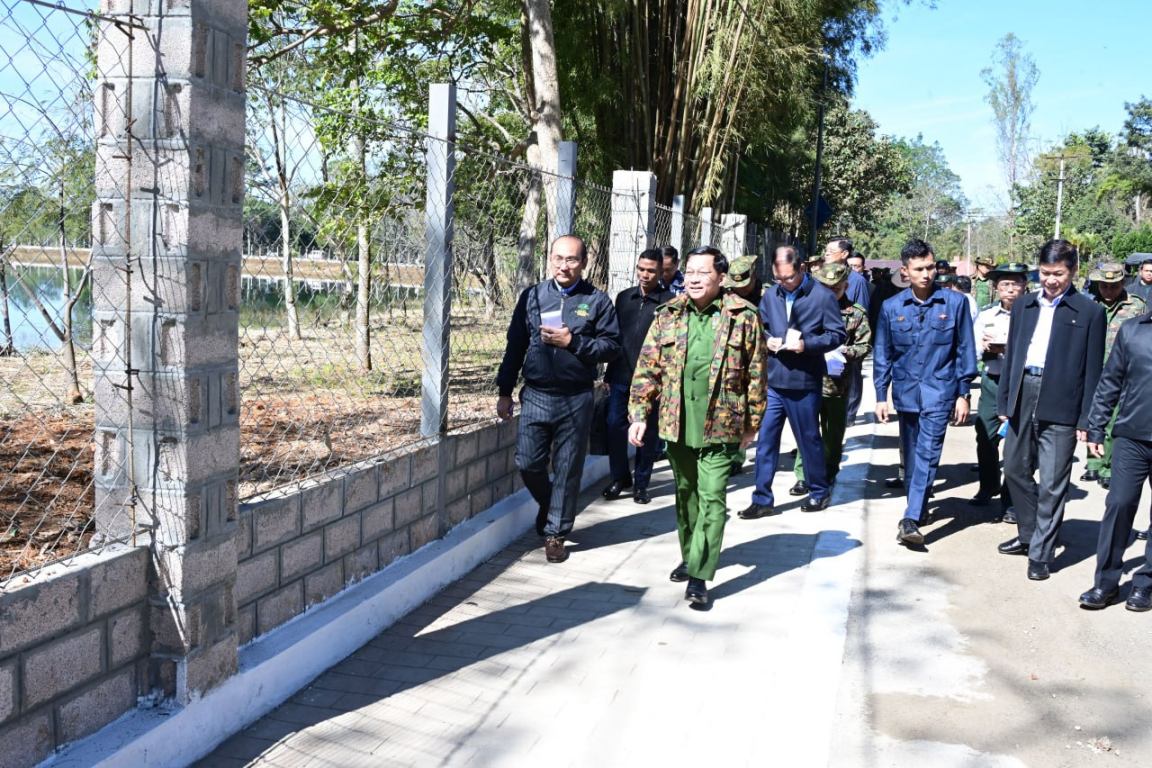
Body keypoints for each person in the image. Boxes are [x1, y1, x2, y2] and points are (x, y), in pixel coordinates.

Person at [628, 246, 766, 606]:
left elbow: (756, 374)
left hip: (722, 424)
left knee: (713, 496)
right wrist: (639, 415)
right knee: (686, 493)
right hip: (677, 423)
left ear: (721, 277)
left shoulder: (743, 316)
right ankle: (690, 556)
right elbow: (647, 369)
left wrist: (753, 423)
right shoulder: (668, 314)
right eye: (689, 271)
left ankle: (700, 576)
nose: (693, 278)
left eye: (702, 272)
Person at [496, 235, 622, 564]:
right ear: (549, 258)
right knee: (527, 462)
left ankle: (555, 533)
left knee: (567, 468)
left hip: (576, 397)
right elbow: (515, 345)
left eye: (572, 259)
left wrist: (574, 342)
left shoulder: (597, 301)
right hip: (537, 394)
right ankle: (552, 504)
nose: (564, 266)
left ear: (584, 263)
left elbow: (612, 347)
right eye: (558, 258)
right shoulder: (533, 296)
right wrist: (505, 390)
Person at [996, 239, 1105, 581]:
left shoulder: (1089, 312)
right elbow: (1012, 355)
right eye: (1045, 273)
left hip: (1062, 401)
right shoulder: (1024, 305)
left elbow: (1093, 371)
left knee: (1053, 482)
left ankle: (1040, 553)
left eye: (1058, 273)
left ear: (1073, 271)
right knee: (1014, 468)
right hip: (1023, 393)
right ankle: (1030, 533)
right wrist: (1005, 400)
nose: (1051, 280)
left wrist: (1088, 419)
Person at [874, 238, 977, 546]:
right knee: (911, 455)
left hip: (939, 391)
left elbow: (965, 349)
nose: (926, 274)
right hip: (906, 393)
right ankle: (916, 507)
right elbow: (883, 353)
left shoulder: (955, 303)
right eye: (919, 269)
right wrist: (880, 395)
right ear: (905, 271)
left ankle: (910, 518)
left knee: (928, 453)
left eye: (930, 267)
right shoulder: (892, 307)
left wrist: (963, 393)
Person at [741, 245, 846, 519]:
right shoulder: (770, 295)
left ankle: (819, 491)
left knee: (808, 440)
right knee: (766, 442)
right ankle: (762, 499)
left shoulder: (822, 296)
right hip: (774, 381)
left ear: (801, 268)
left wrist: (806, 344)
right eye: (778, 278)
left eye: (788, 277)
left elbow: (837, 334)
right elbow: (761, 326)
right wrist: (767, 340)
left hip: (804, 381)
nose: (783, 283)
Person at [1078, 308, 1152, 611]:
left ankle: (1146, 583)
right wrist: (1096, 427)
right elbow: (1110, 380)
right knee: (1119, 504)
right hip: (1132, 435)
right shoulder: (1133, 330)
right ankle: (1105, 583)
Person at [792, 262, 871, 493]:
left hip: (837, 384)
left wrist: (846, 352)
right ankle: (803, 475)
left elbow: (864, 345)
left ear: (845, 286)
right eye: (825, 288)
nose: (829, 292)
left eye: (835, 288)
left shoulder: (855, 313)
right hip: (807, 380)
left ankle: (828, 473)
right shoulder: (805, 307)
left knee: (833, 434)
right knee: (806, 431)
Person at [603, 249, 672, 505]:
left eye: (651, 271)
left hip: (652, 381)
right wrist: (609, 373)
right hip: (621, 376)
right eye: (641, 269)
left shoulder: (669, 302)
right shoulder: (624, 298)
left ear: (661, 272)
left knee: (648, 433)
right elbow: (615, 338)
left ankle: (641, 484)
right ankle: (620, 477)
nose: (645, 274)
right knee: (614, 425)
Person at [1080, 263, 1147, 490]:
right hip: (1092, 368)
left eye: (1114, 286)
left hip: (1120, 371)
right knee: (1091, 416)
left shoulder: (1136, 305)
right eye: (1104, 286)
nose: (1109, 291)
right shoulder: (1090, 304)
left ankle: (1107, 467)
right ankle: (1093, 463)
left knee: (1112, 419)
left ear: (1123, 283)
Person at [971, 262, 1028, 521]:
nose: (1011, 289)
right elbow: (973, 348)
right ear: (996, 287)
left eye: (1016, 284)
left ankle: (1011, 498)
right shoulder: (986, 315)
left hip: (1023, 384)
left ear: (1025, 286)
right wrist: (984, 348)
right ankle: (988, 485)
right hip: (993, 381)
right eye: (1005, 284)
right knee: (986, 435)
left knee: (1018, 444)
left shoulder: (1034, 315)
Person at [724, 254, 764, 475]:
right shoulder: (726, 295)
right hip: (735, 358)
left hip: (761, 356)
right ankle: (734, 457)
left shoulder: (766, 296)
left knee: (755, 408)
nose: (739, 289)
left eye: (744, 284)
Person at [823, 238, 869, 424]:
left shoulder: (856, 280)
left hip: (844, 351)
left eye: (831, 250)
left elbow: (860, 315)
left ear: (844, 254)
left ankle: (848, 414)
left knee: (852, 376)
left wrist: (847, 349)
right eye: (826, 250)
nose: (826, 254)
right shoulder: (815, 277)